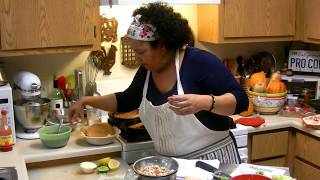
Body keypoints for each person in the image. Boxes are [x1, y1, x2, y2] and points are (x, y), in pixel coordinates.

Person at [69, 2, 248, 164]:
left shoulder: (199, 62)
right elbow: (125, 100)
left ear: (162, 45)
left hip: (213, 161)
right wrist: (85, 101)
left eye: (141, 52)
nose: (137, 58)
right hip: (171, 166)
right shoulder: (146, 72)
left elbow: (241, 101)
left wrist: (204, 102)